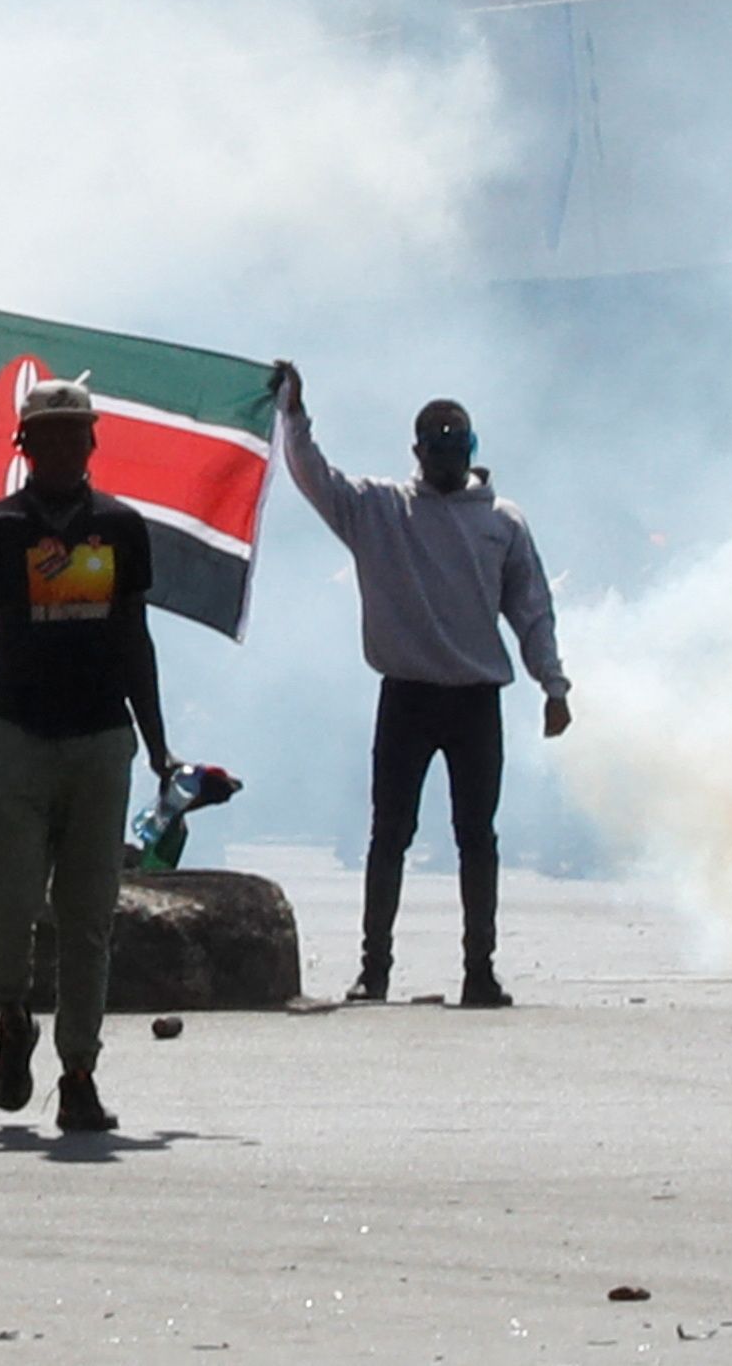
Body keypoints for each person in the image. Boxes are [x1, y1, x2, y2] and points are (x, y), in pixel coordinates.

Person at [272, 363, 568, 1010]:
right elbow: (314, 477)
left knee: (476, 838)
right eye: (436, 445)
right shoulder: (381, 509)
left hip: (474, 698)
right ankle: (373, 969)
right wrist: (294, 416)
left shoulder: (502, 522)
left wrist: (553, 683)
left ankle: (479, 970)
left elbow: (531, 609)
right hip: (406, 694)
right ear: (418, 451)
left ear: (472, 449)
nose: (446, 455)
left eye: (456, 444)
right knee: (389, 834)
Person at [0, 379, 174, 1134]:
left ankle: (78, 1072)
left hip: (101, 740)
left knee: (88, 916)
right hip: (15, 737)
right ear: (25, 446)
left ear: (93, 442)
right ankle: (12, 1013)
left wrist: (159, 746)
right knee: (7, 908)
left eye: (78, 433)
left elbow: (134, 639)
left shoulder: (121, 528)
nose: (68, 446)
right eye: (52, 435)